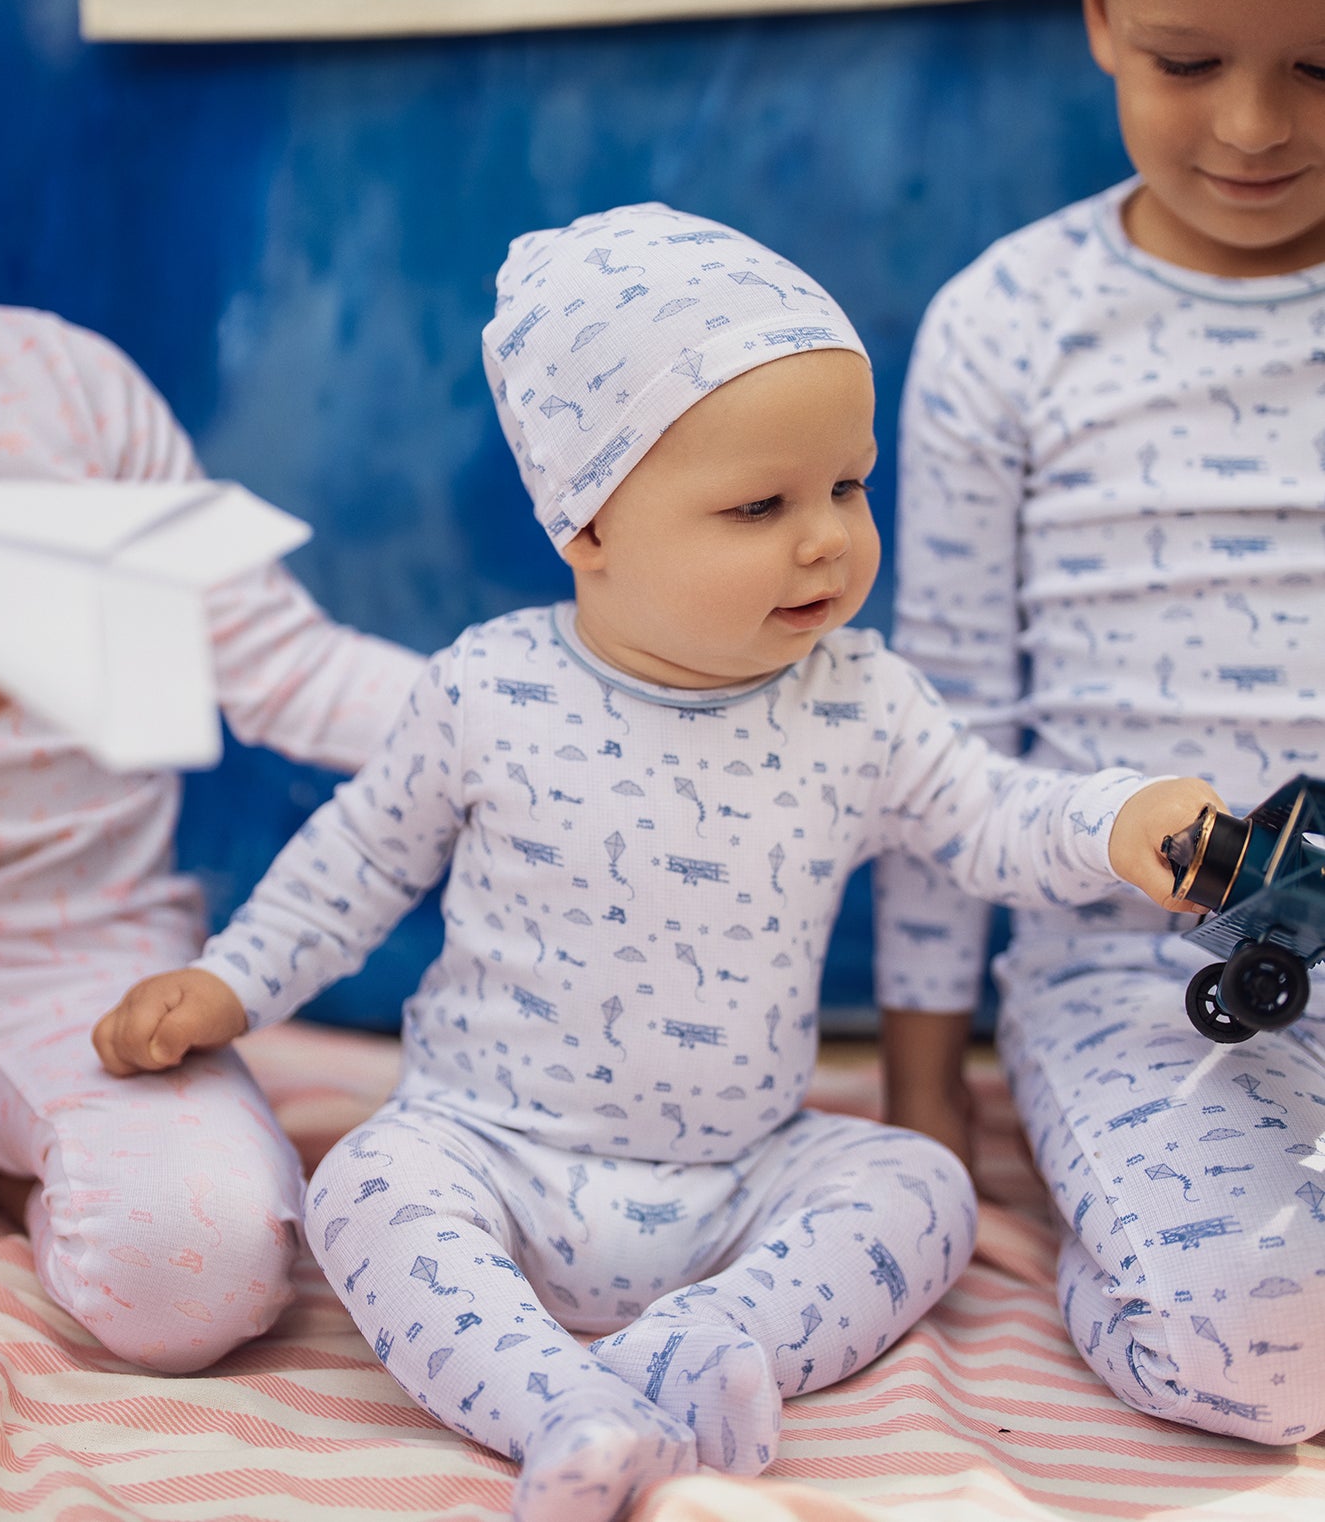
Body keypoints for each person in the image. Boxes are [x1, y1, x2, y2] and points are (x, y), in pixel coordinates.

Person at [94, 203, 1217, 1522]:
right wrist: (230, 986)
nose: (826, 538)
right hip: (494, 1149)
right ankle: (552, 1408)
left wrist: (1115, 820)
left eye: (849, 487)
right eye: (761, 504)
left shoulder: (859, 699)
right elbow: (351, 864)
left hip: (742, 1178)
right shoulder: (490, 690)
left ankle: (699, 1345)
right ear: (586, 526)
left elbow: (988, 813)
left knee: (920, 1188)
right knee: (367, 1185)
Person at [874, 0, 1325, 1446]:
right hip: (1128, 974)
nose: (1258, 127)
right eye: (1189, 58)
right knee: (1262, 1346)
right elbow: (945, 738)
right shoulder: (1007, 328)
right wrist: (926, 1090)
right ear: (1096, 7)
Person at [0, 300, 422, 1371]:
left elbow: (286, 667)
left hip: (72, 960)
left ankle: (38, 1143)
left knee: (196, 1262)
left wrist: (552, 709)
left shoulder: (67, 385)